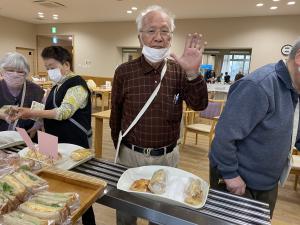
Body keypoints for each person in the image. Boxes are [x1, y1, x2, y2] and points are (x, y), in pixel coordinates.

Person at [110, 5, 208, 225]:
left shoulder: (179, 70)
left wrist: (193, 73)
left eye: (165, 31)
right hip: (130, 156)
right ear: (140, 36)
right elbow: (115, 115)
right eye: (151, 31)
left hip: (167, 156)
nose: (158, 37)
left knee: (161, 213)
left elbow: (199, 105)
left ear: (171, 38)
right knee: (126, 211)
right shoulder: (124, 72)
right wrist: (121, 148)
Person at [209, 39, 300, 218]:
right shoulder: (259, 85)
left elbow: (295, 133)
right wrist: (230, 175)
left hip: (268, 182)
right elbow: (223, 137)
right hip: (238, 183)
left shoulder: (295, 90)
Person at [14, 46, 95, 225]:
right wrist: (36, 127)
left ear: (66, 64)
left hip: (74, 143)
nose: (49, 71)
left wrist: (31, 113)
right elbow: (47, 110)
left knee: (80, 185)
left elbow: (63, 112)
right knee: (56, 184)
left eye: (52, 66)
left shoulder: (77, 85)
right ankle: (59, 217)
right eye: (47, 67)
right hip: (53, 141)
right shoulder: (56, 85)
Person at [0, 52, 44, 137]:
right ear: (2, 72)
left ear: (26, 74)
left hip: (28, 134)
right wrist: (4, 117)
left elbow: (40, 112)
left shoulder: (36, 90)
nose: (15, 74)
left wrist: (37, 124)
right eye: (10, 70)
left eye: (20, 71)